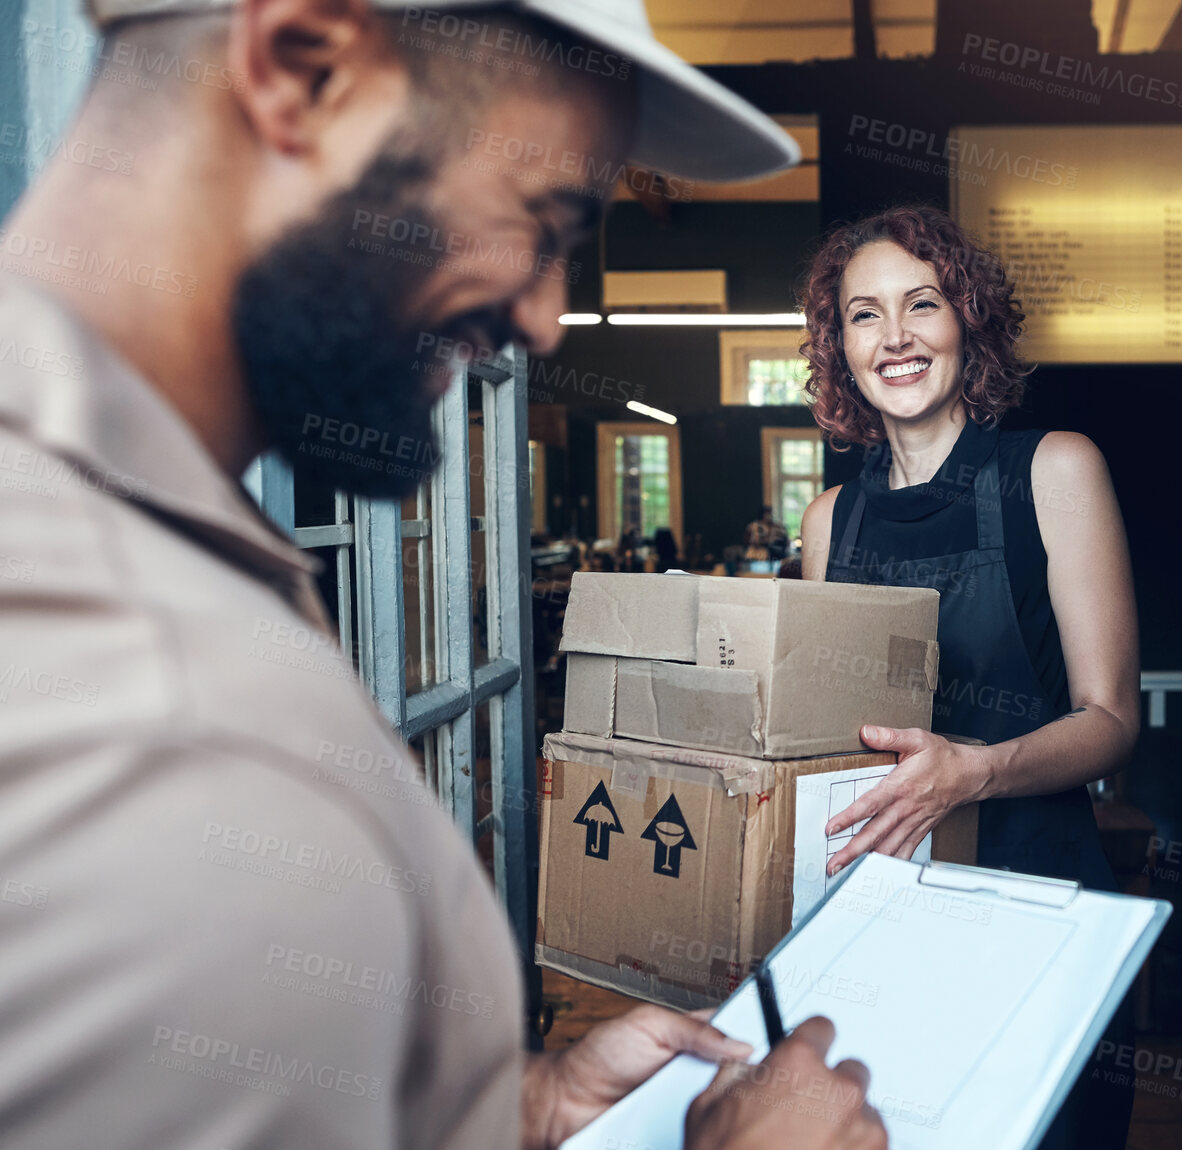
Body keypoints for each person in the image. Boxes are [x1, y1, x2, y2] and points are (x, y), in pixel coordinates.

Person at [0, 0, 885, 1146]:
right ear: (305, 69)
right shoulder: (137, 713)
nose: (547, 317)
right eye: (544, 219)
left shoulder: (155, 531)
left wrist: (520, 1104)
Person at [798, 205, 1142, 1148]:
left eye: (923, 304)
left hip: (1035, 901)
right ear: (842, 346)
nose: (896, 337)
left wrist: (976, 770)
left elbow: (1112, 719)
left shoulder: (1055, 471)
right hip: (882, 919)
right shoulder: (832, 521)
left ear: (968, 323)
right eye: (865, 315)